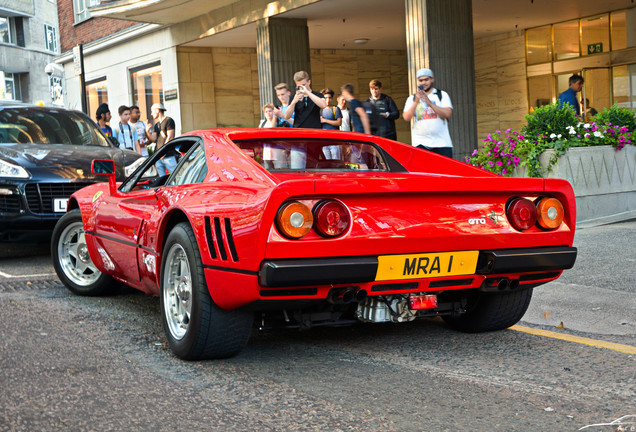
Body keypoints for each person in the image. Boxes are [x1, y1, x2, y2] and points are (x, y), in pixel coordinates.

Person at [402, 68, 453, 158]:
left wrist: (429, 103)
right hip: (420, 143)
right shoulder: (412, 98)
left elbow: (447, 113)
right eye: (421, 80)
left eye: (426, 79)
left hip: (442, 143)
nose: (424, 83)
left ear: (432, 79)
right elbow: (406, 117)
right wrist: (416, 102)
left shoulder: (441, 94)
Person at [145, 103, 177, 175]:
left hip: (168, 155)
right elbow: (154, 139)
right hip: (158, 155)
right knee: (161, 179)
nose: (151, 114)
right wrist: (147, 132)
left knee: (175, 176)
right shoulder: (157, 125)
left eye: (152, 111)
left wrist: (163, 152)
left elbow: (170, 137)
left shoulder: (169, 120)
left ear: (157, 110)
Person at [320, 88, 343, 160]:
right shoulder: (320, 110)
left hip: (334, 140)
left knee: (336, 161)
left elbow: (339, 122)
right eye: (325, 98)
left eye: (329, 98)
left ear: (332, 98)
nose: (328, 100)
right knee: (326, 162)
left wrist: (325, 120)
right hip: (323, 140)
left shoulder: (335, 109)